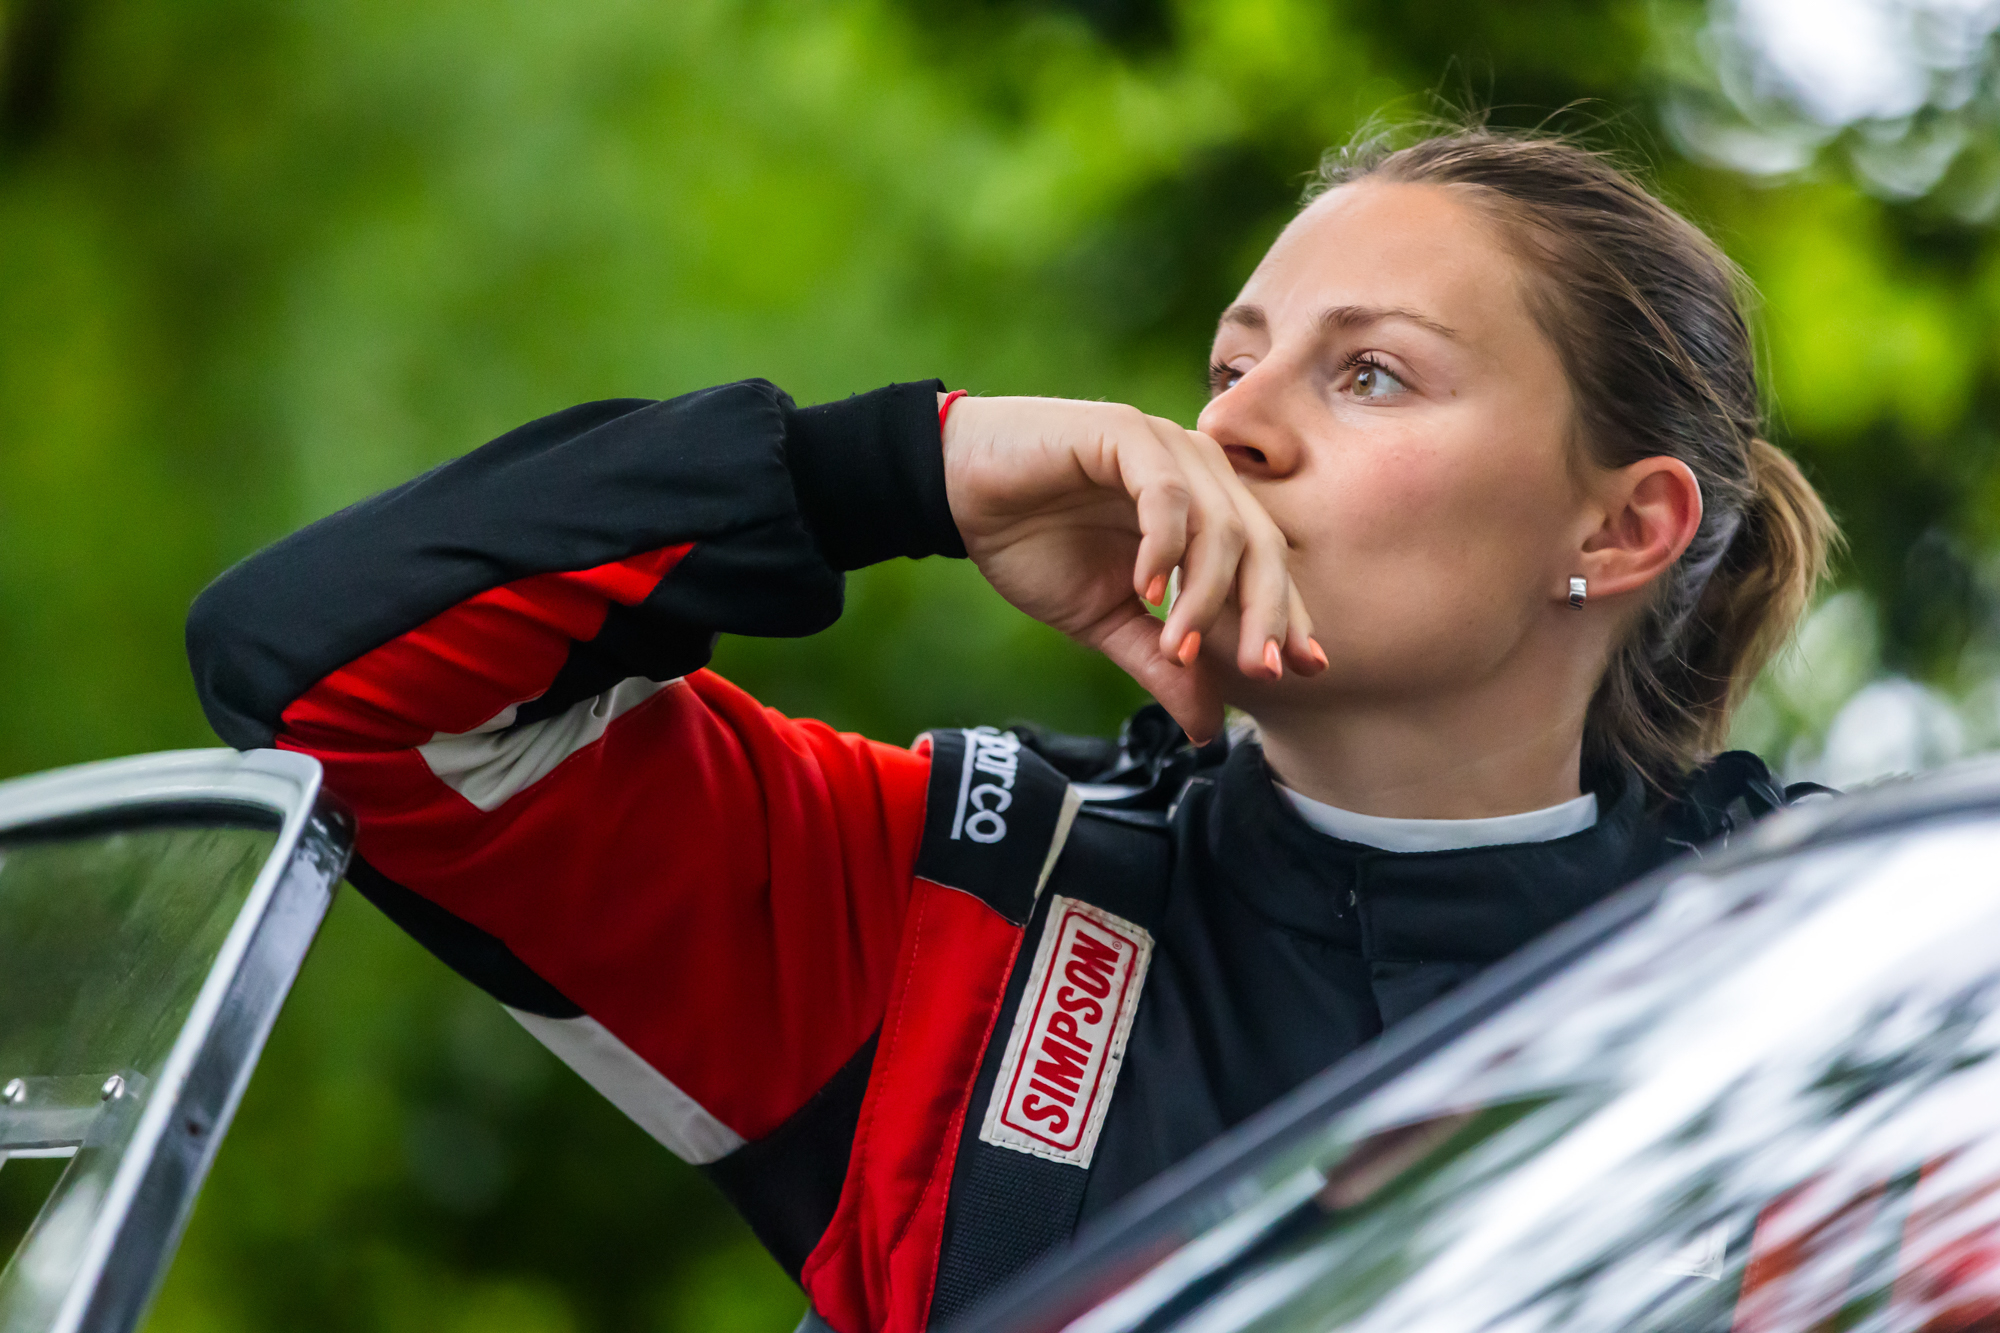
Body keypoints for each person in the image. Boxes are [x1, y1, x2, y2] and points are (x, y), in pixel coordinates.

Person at [186, 126, 1837, 1333]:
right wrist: (901, 469)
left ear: (1622, 528)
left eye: (1372, 377)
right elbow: (310, 673)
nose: (1233, 427)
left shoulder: (1834, 982)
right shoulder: (953, 909)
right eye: (1233, 365)